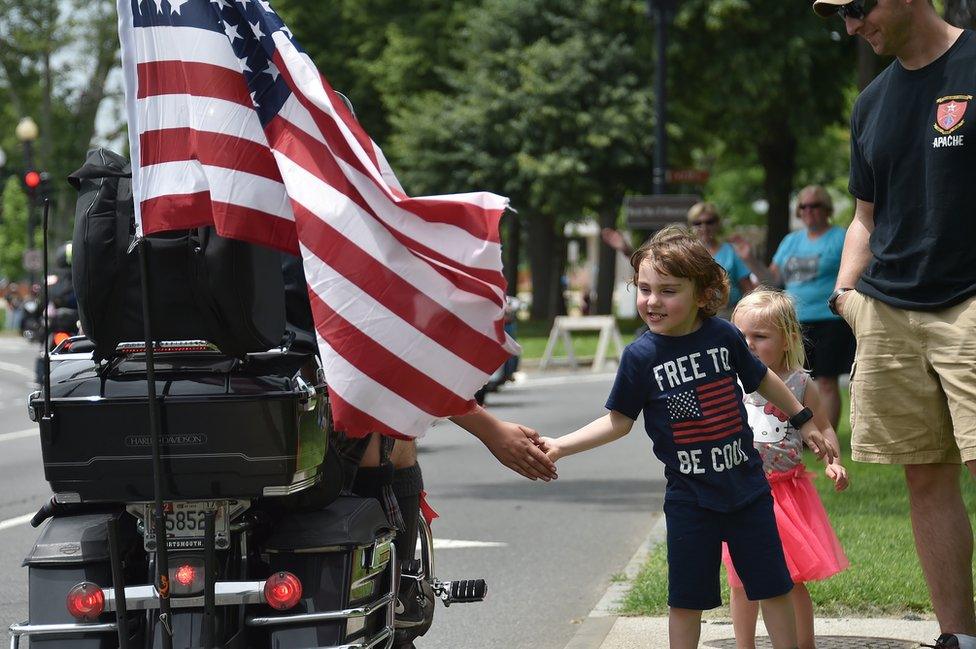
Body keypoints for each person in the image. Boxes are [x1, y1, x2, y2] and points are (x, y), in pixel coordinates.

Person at [538, 227, 837, 649]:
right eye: (644, 289)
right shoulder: (639, 357)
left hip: (748, 491)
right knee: (685, 599)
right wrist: (561, 446)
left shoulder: (724, 336)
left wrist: (804, 419)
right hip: (690, 498)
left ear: (702, 293)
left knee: (772, 586)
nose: (652, 301)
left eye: (668, 290)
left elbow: (763, 377)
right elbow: (618, 421)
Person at [812, 1, 976, 647]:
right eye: (841, 16)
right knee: (924, 472)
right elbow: (864, 216)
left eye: (858, 6)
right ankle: (958, 636)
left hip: (969, 301)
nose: (852, 26)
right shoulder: (872, 101)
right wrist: (846, 290)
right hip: (888, 309)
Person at [723, 289, 849, 649]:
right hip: (743, 491)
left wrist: (833, 461)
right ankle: (744, 644)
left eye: (760, 337)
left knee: (790, 577)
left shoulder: (799, 383)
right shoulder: (730, 382)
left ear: (787, 340)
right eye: (740, 337)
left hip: (786, 494)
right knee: (740, 579)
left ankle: (802, 643)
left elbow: (823, 427)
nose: (747, 345)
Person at [732, 186, 854, 431]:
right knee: (790, 376)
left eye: (815, 205)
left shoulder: (841, 237)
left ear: (827, 209)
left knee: (827, 382)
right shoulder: (791, 241)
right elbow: (772, 279)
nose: (808, 211)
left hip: (829, 319)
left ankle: (824, 436)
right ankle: (792, 431)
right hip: (791, 321)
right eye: (803, 206)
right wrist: (749, 259)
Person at [686, 202, 754, 315]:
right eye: (697, 223)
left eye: (709, 222)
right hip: (695, 314)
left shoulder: (732, 251)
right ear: (691, 226)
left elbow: (748, 289)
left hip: (728, 313)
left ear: (717, 223)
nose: (704, 227)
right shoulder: (686, 254)